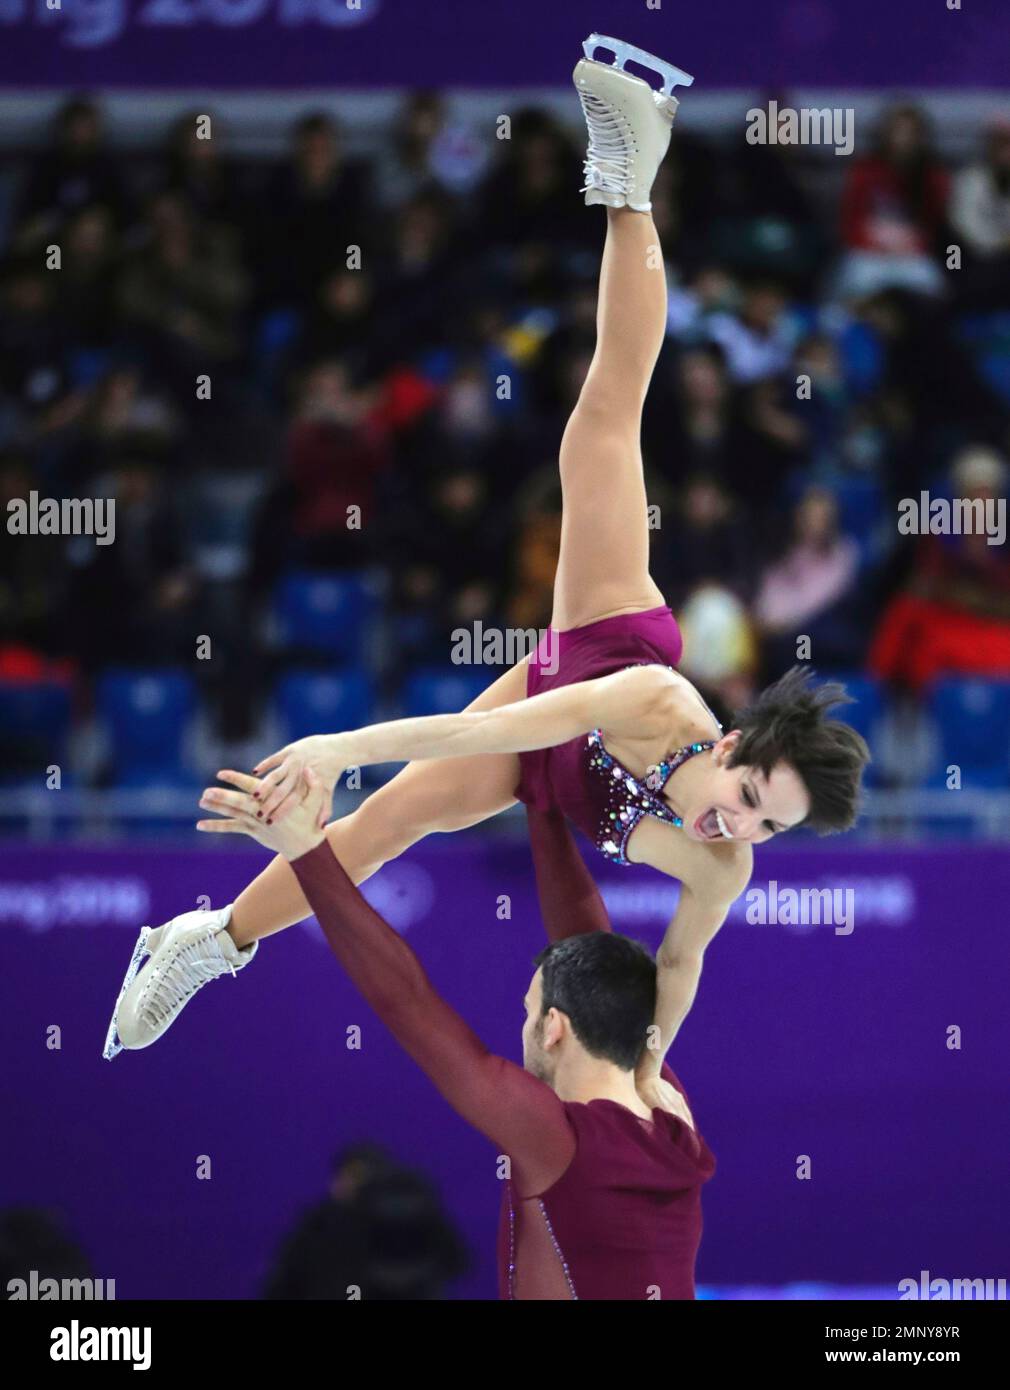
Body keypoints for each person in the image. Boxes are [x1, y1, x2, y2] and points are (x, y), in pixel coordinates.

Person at [106, 39, 869, 1087]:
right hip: (596, 662)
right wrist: (336, 745)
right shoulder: (656, 701)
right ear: (732, 741)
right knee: (602, 418)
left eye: (764, 825)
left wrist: (648, 1069)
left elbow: (679, 964)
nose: (735, 821)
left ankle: (203, 941)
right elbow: (480, 729)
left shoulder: (721, 862)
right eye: (746, 792)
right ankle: (630, 181)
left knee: (378, 840)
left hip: (564, 771)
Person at [203, 764, 716, 1301]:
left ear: (555, 1029)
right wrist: (540, 793)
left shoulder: (556, 1138)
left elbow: (408, 1002)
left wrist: (308, 851)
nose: (523, 1028)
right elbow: (589, 950)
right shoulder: (671, 1113)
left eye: (528, 1012)